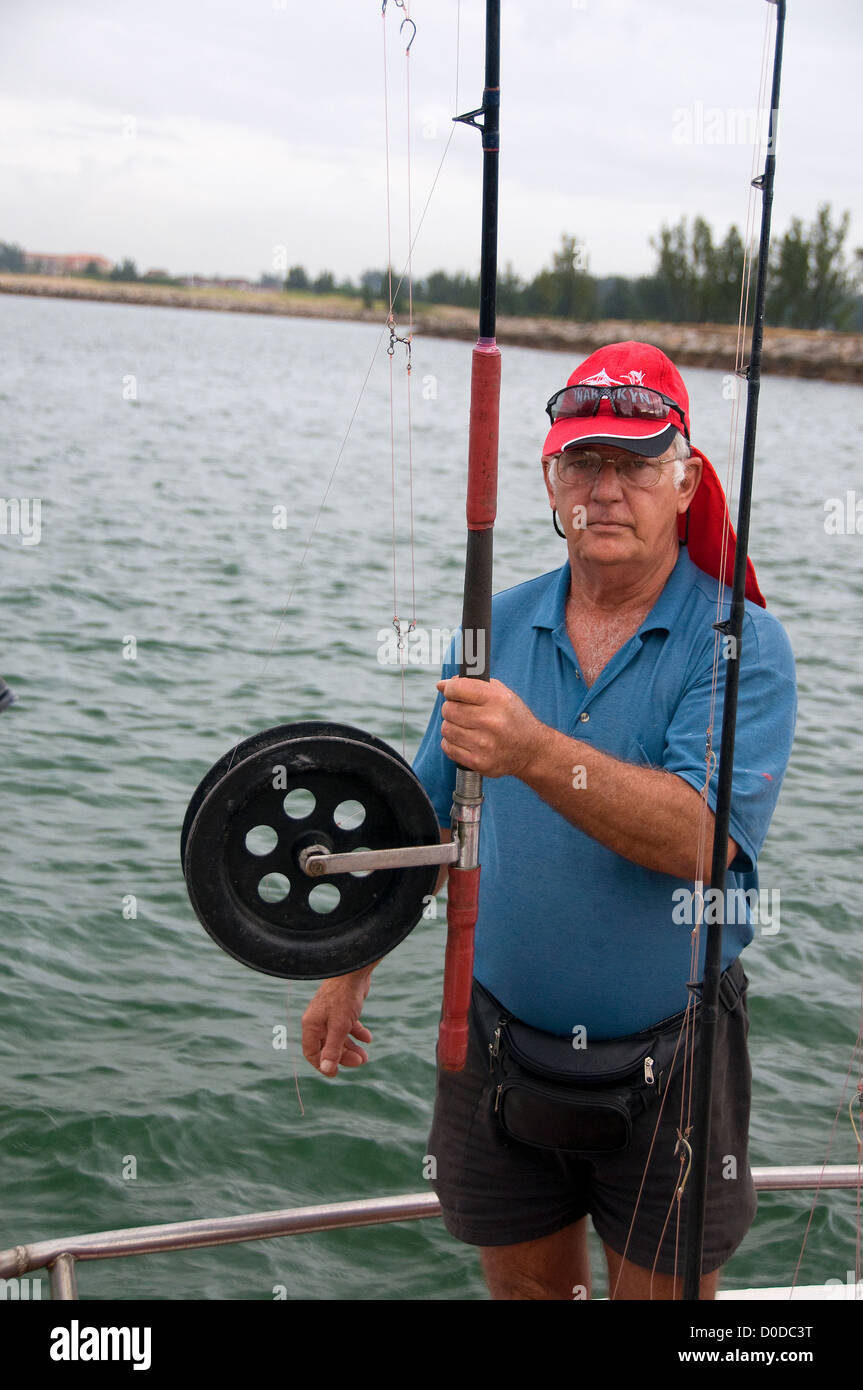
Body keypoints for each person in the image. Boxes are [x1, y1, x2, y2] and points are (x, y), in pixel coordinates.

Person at [301, 341, 797, 1300]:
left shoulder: (742, 643)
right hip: (496, 1048)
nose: (607, 490)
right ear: (549, 477)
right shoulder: (495, 623)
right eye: (584, 462)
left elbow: (702, 839)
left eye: (637, 462)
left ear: (687, 480)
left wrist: (533, 751)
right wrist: (347, 970)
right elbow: (423, 815)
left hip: (673, 1061)